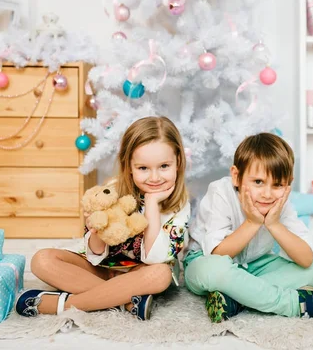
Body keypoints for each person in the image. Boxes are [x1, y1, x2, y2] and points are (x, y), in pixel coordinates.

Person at [15, 116, 190, 321]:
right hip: (98, 269)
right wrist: (96, 232)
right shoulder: (113, 190)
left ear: (178, 162)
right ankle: (123, 301)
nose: (154, 177)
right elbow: (94, 253)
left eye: (164, 166)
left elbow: (156, 259)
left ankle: (65, 305)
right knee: (42, 260)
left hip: (139, 276)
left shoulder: (180, 204)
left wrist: (151, 204)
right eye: (143, 168)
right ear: (129, 166)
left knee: (161, 274)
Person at [184, 132, 313, 322]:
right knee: (216, 270)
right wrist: (252, 223)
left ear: (288, 184)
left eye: (277, 185)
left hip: (254, 265)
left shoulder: (281, 204)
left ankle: (235, 299)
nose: (267, 194)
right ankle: (294, 304)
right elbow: (218, 253)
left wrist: (274, 224)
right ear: (236, 176)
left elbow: (306, 259)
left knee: (312, 270)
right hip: (204, 261)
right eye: (258, 182)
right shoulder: (221, 192)